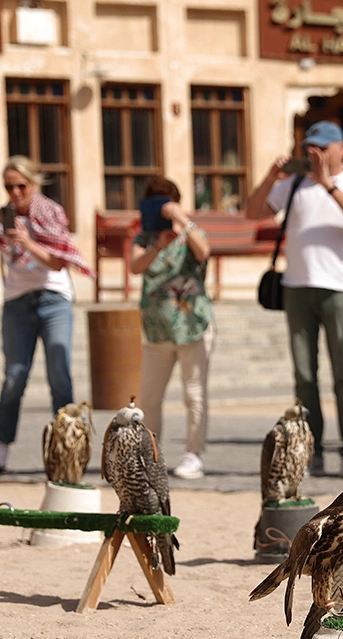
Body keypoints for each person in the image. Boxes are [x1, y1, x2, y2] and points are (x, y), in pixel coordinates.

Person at [245, 121, 343, 477]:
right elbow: (252, 212)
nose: (314, 154)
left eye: (322, 147)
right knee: (304, 375)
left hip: (339, 288)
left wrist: (328, 185)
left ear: (341, 149)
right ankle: (312, 447)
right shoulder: (294, 183)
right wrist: (272, 177)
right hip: (297, 287)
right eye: (309, 148)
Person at [0, 156, 95, 472]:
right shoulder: (1, 216)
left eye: (21, 185)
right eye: (9, 186)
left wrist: (27, 242)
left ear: (33, 184)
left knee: (59, 373)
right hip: (17, 302)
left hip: (54, 299)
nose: (15, 192)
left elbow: (59, 261)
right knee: (14, 377)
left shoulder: (49, 212)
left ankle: (68, 446)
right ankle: (3, 445)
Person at [129, 177, 215, 480]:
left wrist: (182, 220)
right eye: (156, 201)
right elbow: (136, 266)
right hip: (157, 329)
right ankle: (150, 456)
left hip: (192, 327)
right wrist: (157, 245)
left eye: (167, 201)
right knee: (150, 396)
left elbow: (203, 252)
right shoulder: (143, 238)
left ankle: (194, 454)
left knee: (194, 394)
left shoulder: (191, 232)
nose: (162, 208)